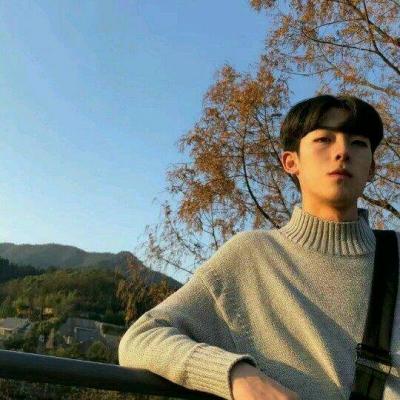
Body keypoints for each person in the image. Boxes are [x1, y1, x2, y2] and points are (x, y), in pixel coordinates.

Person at [118, 94, 400, 400]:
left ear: (371, 168)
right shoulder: (251, 256)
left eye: (358, 143)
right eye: (324, 139)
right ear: (291, 162)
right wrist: (237, 376)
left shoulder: (395, 255)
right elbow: (142, 338)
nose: (342, 151)